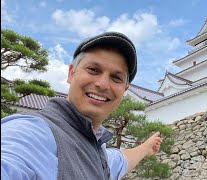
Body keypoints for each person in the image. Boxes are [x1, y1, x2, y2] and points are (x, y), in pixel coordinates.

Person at [1, 32, 162, 180]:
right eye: (93, 70)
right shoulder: (32, 132)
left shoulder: (97, 152)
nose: (103, 84)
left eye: (116, 77)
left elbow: (119, 161)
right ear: (71, 73)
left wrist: (146, 147)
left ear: (124, 90)